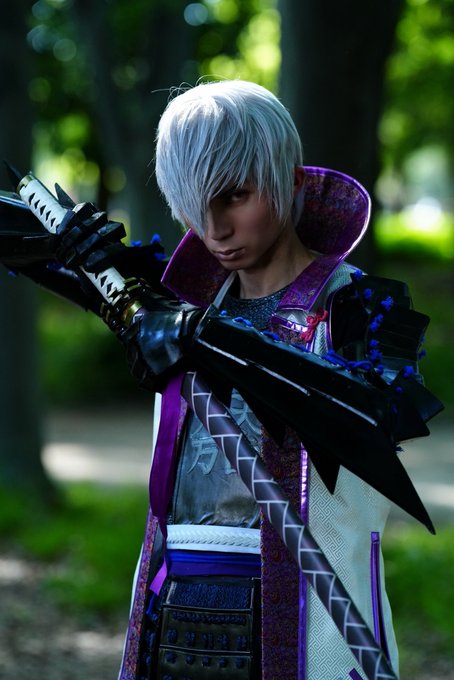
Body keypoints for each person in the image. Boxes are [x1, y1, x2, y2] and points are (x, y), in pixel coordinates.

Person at [0, 79, 440, 680]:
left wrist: (197, 336)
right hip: (174, 609)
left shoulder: (364, 309)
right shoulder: (170, 307)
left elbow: (367, 418)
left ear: (291, 180)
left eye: (234, 196)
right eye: (193, 202)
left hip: (315, 616)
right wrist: (67, 249)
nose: (214, 229)